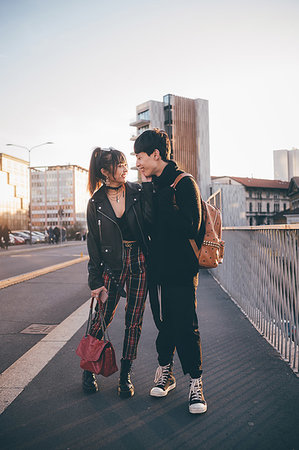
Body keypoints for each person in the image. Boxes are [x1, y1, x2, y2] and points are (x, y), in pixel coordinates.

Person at [134, 128, 207, 414]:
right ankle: (166, 372)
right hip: (158, 270)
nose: (137, 163)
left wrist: (165, 203)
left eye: (140, 157)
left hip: (182, 270)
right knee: (164, 324)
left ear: (156, 154)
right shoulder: (148, 187)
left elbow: (193, 227)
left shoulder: (184, 183)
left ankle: (196, 383)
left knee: (186, 325)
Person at [84, 147, 151, 397]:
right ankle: (89, 370)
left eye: (125, 164)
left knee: (134, 320)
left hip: (139, 262)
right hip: (111, 267)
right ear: (104, 171)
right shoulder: (96, 203)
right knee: (102, 316)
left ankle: (126, 374)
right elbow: (93, 245)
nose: (125, 168)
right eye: (119, 164)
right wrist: (95, 280)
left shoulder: (138, 192)